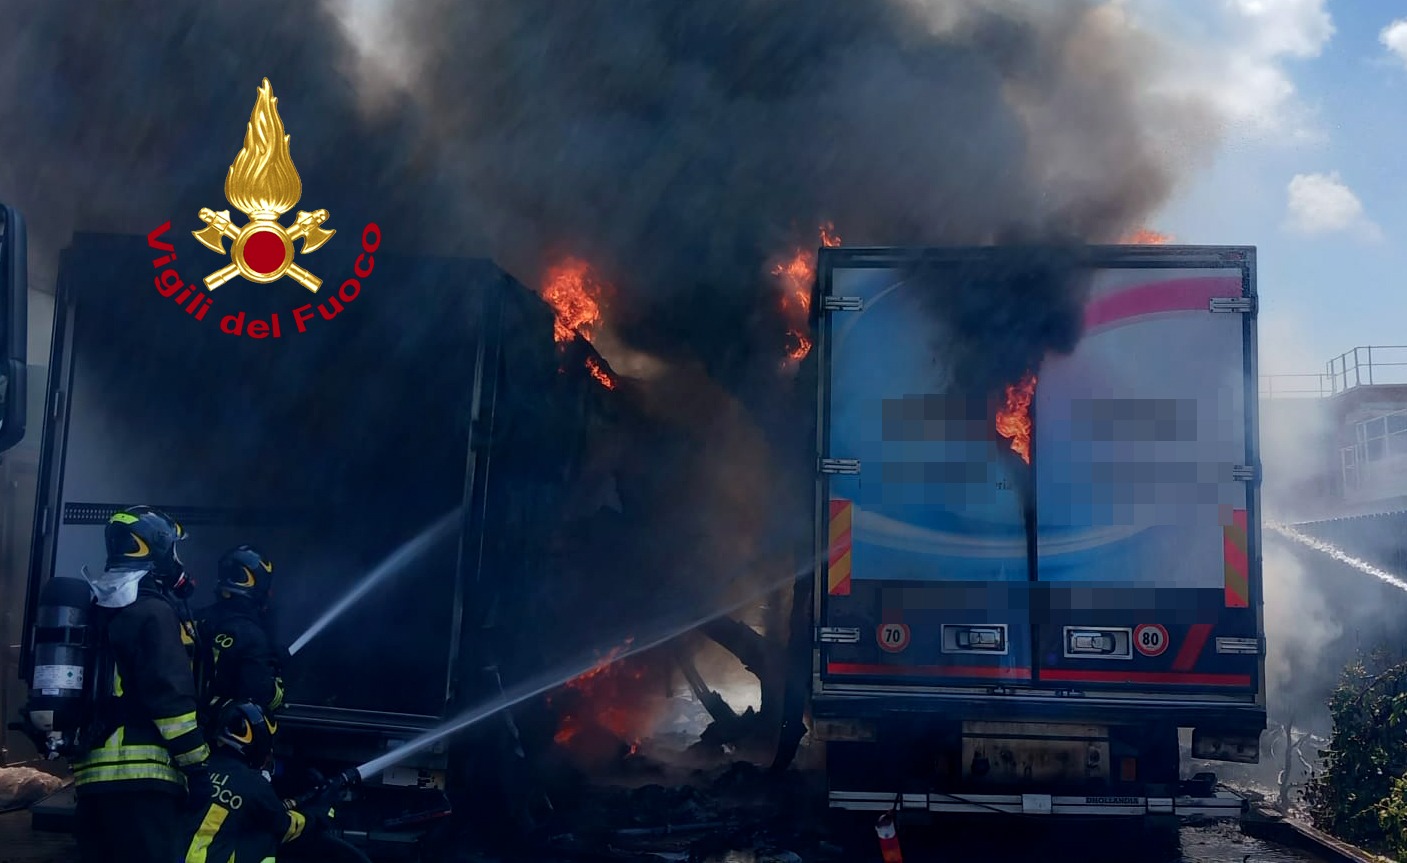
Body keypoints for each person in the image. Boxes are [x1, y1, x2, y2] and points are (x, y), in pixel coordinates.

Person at [71, 505, 213, 863]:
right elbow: (171, 700)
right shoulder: (153, 612)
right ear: (158, 548)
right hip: (144, 780)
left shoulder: (94, 608)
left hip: (91, 781)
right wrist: (197, 767)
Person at [183, 700, 331, 863]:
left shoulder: (195, 771)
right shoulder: (255, 785)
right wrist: (320, 812)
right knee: (264, 834)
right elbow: (286, 827)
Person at [197, 545, 288, 718]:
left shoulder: (196, 619)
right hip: (220, 728)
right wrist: (275, 672)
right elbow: (259, 700)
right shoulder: (251, 637)